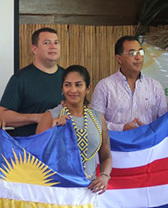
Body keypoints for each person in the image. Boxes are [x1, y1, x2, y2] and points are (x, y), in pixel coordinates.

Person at [36, 65, 113, 195]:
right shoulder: (50, 116)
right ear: (62, 88)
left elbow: (106, 156)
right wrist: (52, 131)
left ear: (88, 88)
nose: (73, 90)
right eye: (67, 85)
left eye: (78, 85)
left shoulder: (98, 118)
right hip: (58, 192)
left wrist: (104, 176)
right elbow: (37, 157)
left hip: (89, 192)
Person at [0, 27, 64, 137]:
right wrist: (37, 117)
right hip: (30, 149)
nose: (53, 46)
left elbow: (84, 109)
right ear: (34, 49)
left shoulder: (68, 78)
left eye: (56, 43)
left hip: (62, 148)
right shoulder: (20, 79)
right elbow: (1, 116)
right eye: (47, 43)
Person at [91, 35, 168, 131]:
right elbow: (94, 122)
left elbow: (165, 120)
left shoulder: (155, 86)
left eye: (140, 52)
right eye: (132, 53)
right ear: (119, 59)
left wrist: (149, 129)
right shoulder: (105, 86)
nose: (138, 57)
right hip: (116, 144)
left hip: (148, 143)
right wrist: (121, 128)